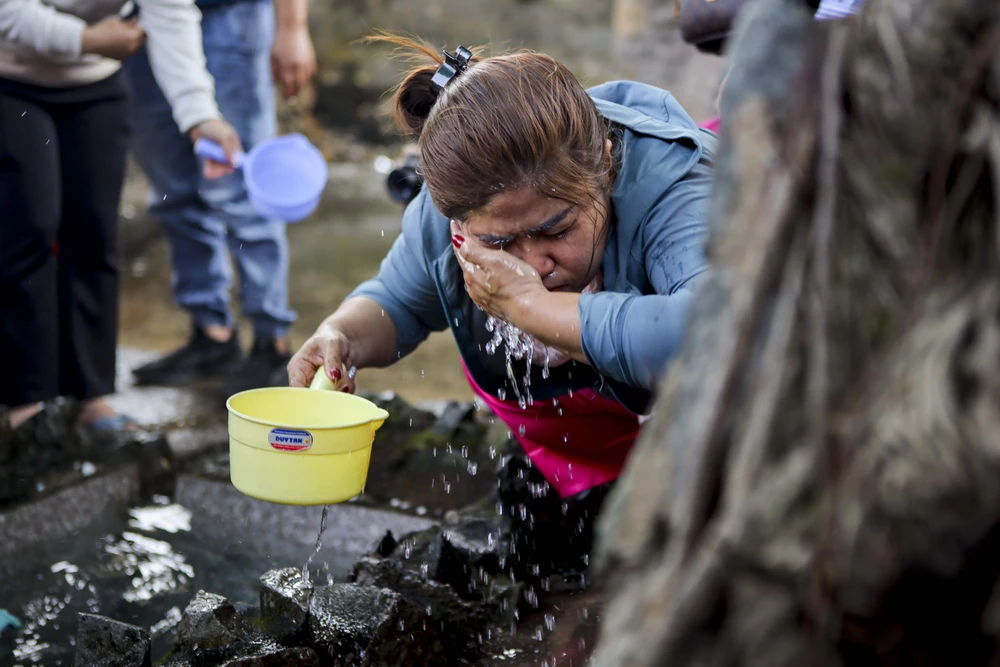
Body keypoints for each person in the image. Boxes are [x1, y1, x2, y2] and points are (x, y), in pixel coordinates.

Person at [287, 36, 716, 587]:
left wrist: (532, 308)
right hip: (568, 460)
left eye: (556, 229)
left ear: (606, 168)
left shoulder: (674, 188)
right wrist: (340, 334)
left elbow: (714, 337)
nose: (532, 263)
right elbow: (397, 299)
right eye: (499, 243)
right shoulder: (444, 214)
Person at [0, 0, 242, 434]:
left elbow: (170, 13)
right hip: (11, 80)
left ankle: (90, 395)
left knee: (93, 233)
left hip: (97, 84)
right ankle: (24, 400)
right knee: (30, 227)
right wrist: (86, 39)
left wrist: (199, 115)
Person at [125, 0, 315, 396]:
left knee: (243, 190)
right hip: (146, 23)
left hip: (232, 17)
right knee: (172, 192)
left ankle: (272, 343)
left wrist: (292, 25)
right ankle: (212, 335)